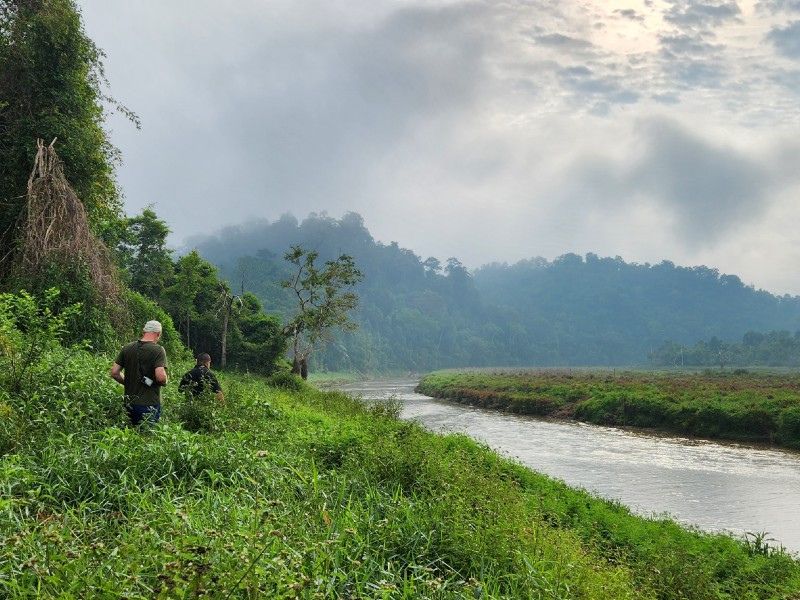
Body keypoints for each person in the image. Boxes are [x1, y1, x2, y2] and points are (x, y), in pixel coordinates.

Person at [109, 320, 168, 426]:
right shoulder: (158, 350)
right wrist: (165, 379)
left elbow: (114, 372)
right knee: (147, 437)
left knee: (130, 436)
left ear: (143, 331)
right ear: (158, 334)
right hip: (149, 404)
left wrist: (128, 382)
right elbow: (160, 377)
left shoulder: (127, 348)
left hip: (129, 403)